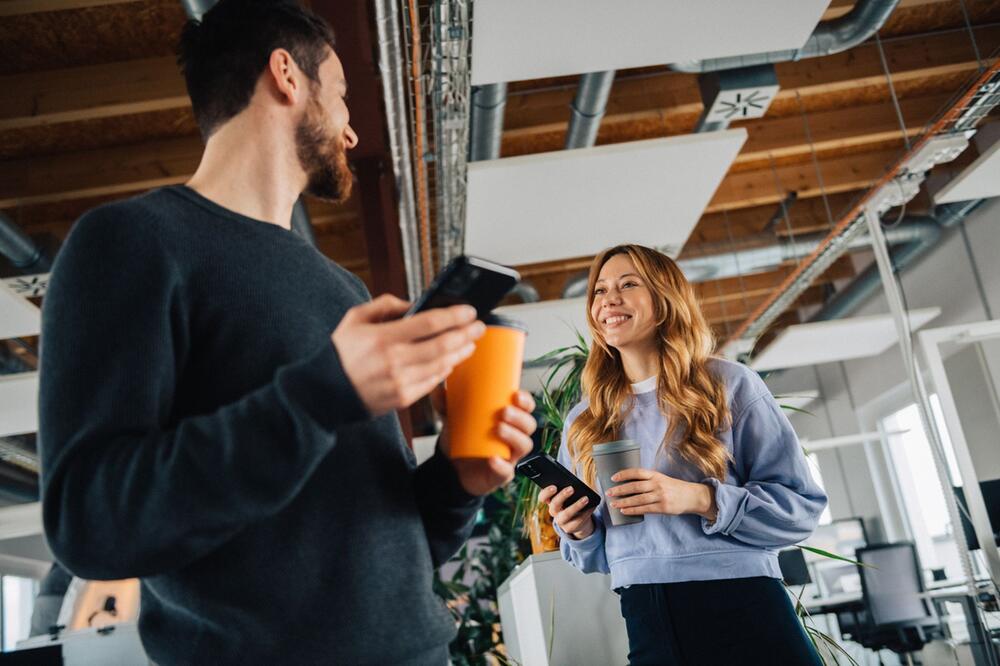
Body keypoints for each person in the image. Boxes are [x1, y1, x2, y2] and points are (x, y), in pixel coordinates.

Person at [37, 1, 536, 663]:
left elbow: (386, 558)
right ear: (286, 76)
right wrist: (320, 393)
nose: (353, 133)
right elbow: (89, 524)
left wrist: (455, 481)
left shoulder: (342, 289)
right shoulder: (130, 244)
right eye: (344, 96)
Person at [538, 244, 827, 665]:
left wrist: (697, 498)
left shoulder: (730, 385)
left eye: (628, 284)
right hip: (647, 615)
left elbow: (801, 510)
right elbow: (597, 558)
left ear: (664, 301)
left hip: (745, 604)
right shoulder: (586, 419)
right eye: (599, 291)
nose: (608, 299)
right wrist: (579, 530)